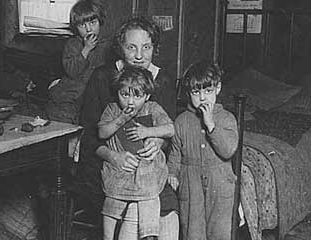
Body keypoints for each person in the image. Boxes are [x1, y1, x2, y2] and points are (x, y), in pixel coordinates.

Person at [80, 17, 179, 240]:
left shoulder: (161, 79)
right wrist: (114, 157)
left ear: (155, 48)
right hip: (106, 162)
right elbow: (89, 135)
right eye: (131, 47)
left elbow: (168, 128)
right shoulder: (103, 77)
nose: (139, 56)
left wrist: (158, 142)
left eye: (147, 47)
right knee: (135, 204)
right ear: (120, 48)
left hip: (147, 164)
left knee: (169, 207)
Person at [98, 65, 174, 240]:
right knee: (112, 204)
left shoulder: (152, 108)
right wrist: (121, 119)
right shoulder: (112, 109)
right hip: (120, 170)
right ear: (118, 92)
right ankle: (107, 236)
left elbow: (170, 129)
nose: (130, 102)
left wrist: (148, 132)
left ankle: (150, 235)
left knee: (149, 198)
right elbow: (102, 133)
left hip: (147, 170)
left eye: (137, 95)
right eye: (125, 94)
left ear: (146, 96)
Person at [167, 61, 239, 240]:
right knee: (193, 231)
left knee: (220, 231)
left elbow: (228, 150)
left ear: (218, 88)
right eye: (195, 92)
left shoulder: (227, 118)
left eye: (208, 91)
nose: (202, 97)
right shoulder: (181, 121)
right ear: (188, 94)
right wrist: (172, 174)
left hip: (220, 182)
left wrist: (211, 126)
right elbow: (175, 153)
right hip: (190, 183)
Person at [46, 0, 107, 124]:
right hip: (72, 93)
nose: (88, 28)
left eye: (93, 23)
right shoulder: (73, 44)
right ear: (75, 27)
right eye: (82, 25)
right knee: (62, 118)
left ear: (100, 22)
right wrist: (86, 49)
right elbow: (72, 71)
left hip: (92, 94)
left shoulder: (106, 45)